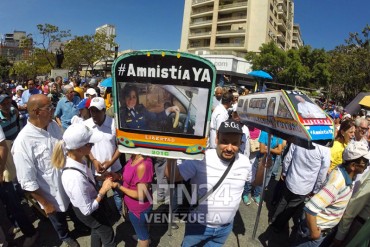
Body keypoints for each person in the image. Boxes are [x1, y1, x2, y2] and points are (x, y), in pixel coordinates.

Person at [165, 119, 270, 246]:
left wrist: (263, 167)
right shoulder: (201, 158)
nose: (229, 148)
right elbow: (173, 177)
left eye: (234, 143)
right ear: (217, 139)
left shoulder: (244, 162)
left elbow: (255, 182)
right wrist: (170, 154)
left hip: (224, 229)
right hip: (198, 226)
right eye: (225, 142)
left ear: (241, 143)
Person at [11, 94, 79, 247]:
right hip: (50, 194)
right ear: (36, 112)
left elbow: (64, 148)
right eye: (49, 108)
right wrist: (45, 203)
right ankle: (64, 236)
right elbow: (27, 181)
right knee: (58, 219)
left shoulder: (53, 125)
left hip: (67, 185)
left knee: (73, 210)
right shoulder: (23, 143)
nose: (53, 111)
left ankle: (79, 227)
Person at [292, 141, 370, 247]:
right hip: (316, 232)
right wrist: (315, 234)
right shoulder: (338, 182)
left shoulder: (347, 175)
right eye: (365, 162)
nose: (367, 165)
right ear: (353, 165)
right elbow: (310, 209)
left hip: (325, 230)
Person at [52, 123, 116, 247]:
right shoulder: (74, 177)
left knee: (97, 229)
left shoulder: (77, 158)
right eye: (90, 144)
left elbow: (86, 178)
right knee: (108, 234)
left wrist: (99, 177)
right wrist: (103, 190)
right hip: (88, 209)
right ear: (79, 149)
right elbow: (87, 210)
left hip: (88, 203)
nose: (93, 146)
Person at [270, 143, 330, 231]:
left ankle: (273, 220)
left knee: (283, 201)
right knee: (291, 208)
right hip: (305, 187)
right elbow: (322, 173)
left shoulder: (300, 139)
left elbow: (288, 158)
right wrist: (316, 189)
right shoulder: (325, 150)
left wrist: (284, 172)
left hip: (291, 179)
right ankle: (278, 226)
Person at [0, 125, 38, 247]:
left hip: (2, 174)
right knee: (6, 208)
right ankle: (12, 227)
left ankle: (30, 233)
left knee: (14, 205)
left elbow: (3, 148)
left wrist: (0, 172)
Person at [84, 97, 123, 215]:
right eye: (92, 111)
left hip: (115, 167)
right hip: (97, 171)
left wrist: (110, 162)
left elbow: (121, 146)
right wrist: (94, 160)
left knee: (119, 193)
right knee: (101, 195)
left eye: (97, 111)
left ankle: (122, 213)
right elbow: (84, 146)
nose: (94, 114)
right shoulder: (86, 125)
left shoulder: (114, 123)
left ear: (104, 111)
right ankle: (108, 215)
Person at [110, 154, 154, 247]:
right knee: (143, 228)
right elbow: (129, 177)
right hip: (133, 207)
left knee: (143, 238)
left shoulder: (144, 165)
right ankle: (143, 234)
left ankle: (144, 238)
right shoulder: (133, 157)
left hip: (139, 209)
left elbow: (140, 195)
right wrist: (118, 176)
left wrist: (119, 186)